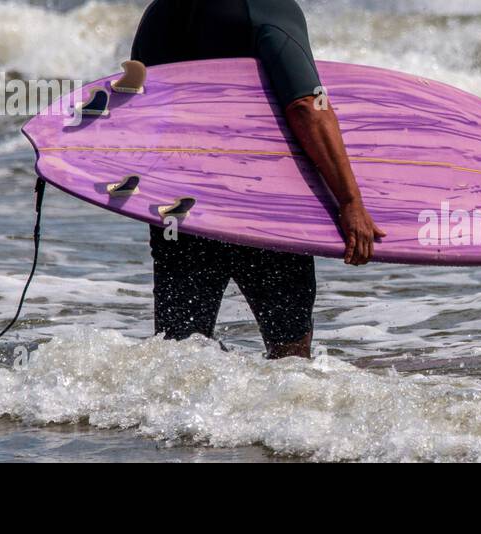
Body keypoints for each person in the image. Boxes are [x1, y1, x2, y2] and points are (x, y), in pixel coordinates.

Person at [130, 0, 385, 358]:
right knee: (290, 358)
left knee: (178, 355)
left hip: (179, 208)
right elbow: (307, 107)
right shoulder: (267, 7)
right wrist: (349, 201)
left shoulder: (159, 13)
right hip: (262, 205)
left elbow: (137, 109)